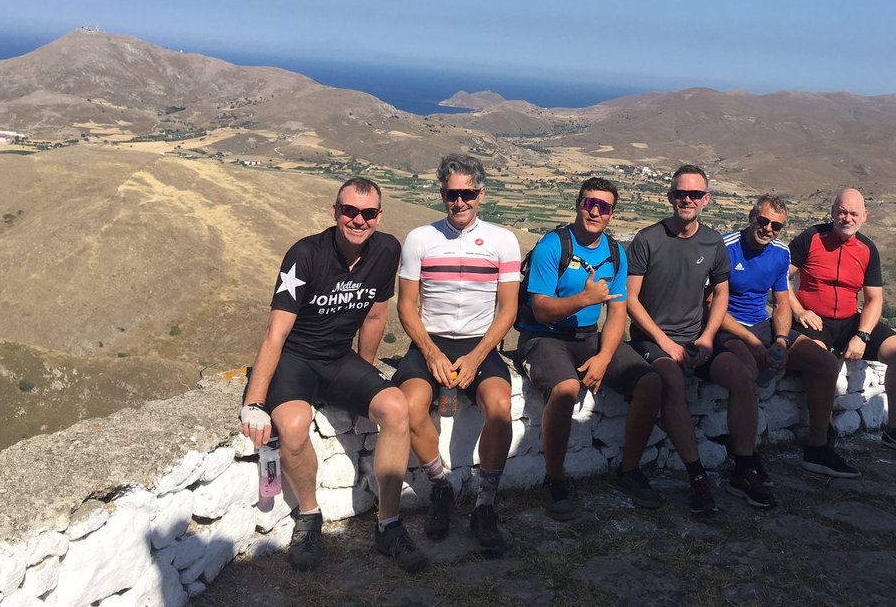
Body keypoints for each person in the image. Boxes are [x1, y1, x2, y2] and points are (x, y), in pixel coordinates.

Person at [239, 179, 427, 573]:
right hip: (294, 360)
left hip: (339, 358)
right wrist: (254, 402)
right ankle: (309, 518)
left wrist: (364, 378)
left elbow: (375, 315)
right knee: (293, 425)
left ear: (379, 216)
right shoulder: (305, 254)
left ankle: (389, 525)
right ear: (335, 212)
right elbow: (276, 331)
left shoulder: (386, 250)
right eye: (349, 211)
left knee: (395, 407)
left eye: (368, 213)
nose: (358, 220)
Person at [395, 154, 521, 553]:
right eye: (452, 194)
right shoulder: (420, 238)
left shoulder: (504, 241)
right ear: (442, 195)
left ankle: (485, 505)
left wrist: (478, 356)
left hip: (479, 344)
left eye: (467, 193)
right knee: (410, 406)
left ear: (481, 194)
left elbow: (509, 309)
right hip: (430, 341)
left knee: (500, 406)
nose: (459, 201)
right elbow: (405, 305)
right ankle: (440, 487)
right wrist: (430, 352)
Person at [518, 177, 664, 518]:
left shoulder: (615, 253)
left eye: (604, 207)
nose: (595, 212)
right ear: (578, 204)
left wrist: (605, 357)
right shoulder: (553, 245)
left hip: (587, 337)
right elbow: (540, 309)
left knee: (650, 382)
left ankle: (628, 470)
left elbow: (617, 312)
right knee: (566, 388)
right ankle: (554, 480)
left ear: (612, 214)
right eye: (589, 203)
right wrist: (583, 299)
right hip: (543, 336)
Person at [625, 164, 762, 514]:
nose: (687, 200)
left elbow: (721, 294)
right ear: (670, 197)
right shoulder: (647, 239)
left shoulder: (713, 242)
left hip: (696, 338)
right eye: (681, 194)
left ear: (706, 199)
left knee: (741, 376)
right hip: (652, 339)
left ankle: (744, 467)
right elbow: (630, 300)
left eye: (695, 194)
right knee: (671, 380)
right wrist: (665, 342)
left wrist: (708, 337)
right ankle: (697, 475)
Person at [788, 188, 896, 467]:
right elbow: (780, 277)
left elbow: (874, 299)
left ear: (864, 216)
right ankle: (821, 437)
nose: (847, 218)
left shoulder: (867, 249)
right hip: (813, 320)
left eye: (854, 213)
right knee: (819, 360)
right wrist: (799, 310)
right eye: (842, 212)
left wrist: (862, 335)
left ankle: (894, 431)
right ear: (832, 212)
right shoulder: (811, 237)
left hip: (849, 321)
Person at [722, 195, 853, 479]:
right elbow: (711, 306)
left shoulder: (780, 253)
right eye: (763, 221)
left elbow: (782, 303)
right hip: (729, 326)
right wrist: (753, 343)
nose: (768, 229)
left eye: (776, 226)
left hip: (762, 324)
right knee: (746, 370)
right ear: (752, 216)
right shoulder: (725, 247)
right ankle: (745, 457)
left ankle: (818, 447)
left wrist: (781, 340)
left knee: (826, 364)